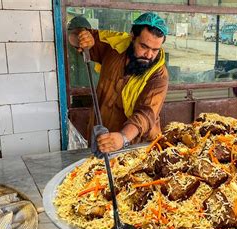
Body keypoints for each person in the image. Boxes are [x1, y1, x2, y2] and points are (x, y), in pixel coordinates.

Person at [68, 12, 169, 154]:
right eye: (144, 47)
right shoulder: (114, 47)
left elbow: (146, 114)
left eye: (155, 50)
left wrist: (123, 138)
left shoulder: (159, 74)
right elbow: (76, 35)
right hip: (101, 136)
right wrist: (81, 38)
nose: (149, 55)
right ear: (132, 36)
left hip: (137, 145)